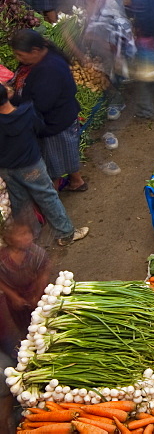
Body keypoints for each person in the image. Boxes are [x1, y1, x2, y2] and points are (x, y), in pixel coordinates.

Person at [0, 84, 87, 246]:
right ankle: (66, 233)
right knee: (47, 196)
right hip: (30, 165)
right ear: (7, 94)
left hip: (6, 169)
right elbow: (40, 129)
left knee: (19, 202)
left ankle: (30, 237)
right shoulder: (26, 112)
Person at [10, 29, 86, 193]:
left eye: (20, 55)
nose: (18, 59)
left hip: (55, 122)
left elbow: (42, 104)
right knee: (66, 152)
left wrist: (12, 101)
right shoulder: (48, 58)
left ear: (35, 51)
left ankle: (53, 195)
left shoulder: (48, 69)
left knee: (54, 161)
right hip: (64, 116)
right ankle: (76, 181)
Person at [0, 218, 50, 348]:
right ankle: (31, 342)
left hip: (36, 292)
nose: (27, 237)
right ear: (9, 240)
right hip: (15, 300)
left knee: (45, 318)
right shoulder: (3, 259)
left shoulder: (37, 254)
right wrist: (13, 296)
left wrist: (37, 295)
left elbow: (43, 274)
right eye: (21, 235)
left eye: (28, 233)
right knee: (25, 325)